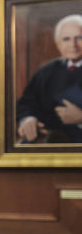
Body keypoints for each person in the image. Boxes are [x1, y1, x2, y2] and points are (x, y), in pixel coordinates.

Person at [16, 14, 82, 143]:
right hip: (48, 143)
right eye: (66, 39)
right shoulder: (47, 71)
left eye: (79, 38)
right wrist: (28, 118)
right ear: (58, 43)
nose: (73, 45)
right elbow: (26, 103)